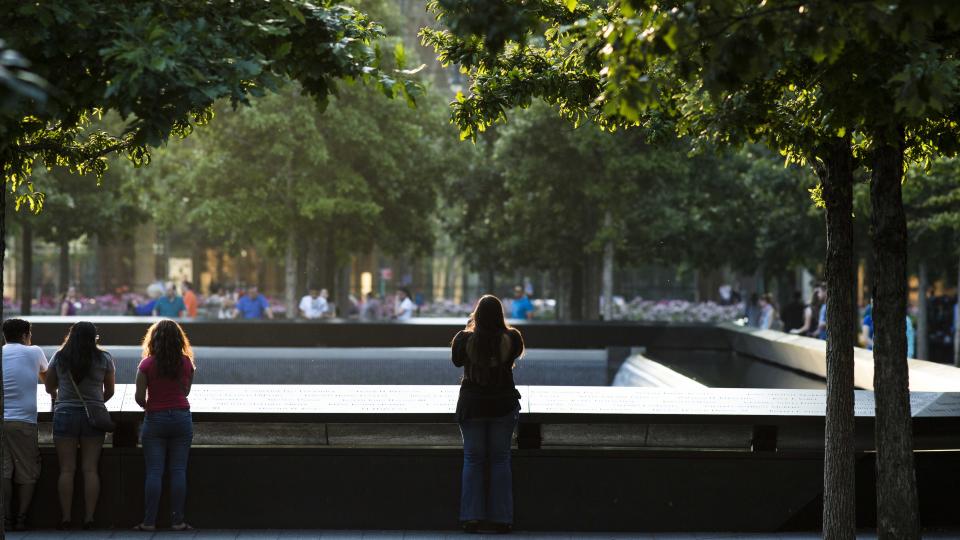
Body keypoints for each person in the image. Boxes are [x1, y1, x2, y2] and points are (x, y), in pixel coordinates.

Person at [450, 295, 524, 534]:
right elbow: (511, 356)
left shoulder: (464, 340)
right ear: (500, 315)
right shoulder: (512, 339)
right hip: (503, 406)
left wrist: (470, 330)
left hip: (472, 407)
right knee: (500, 459)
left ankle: (471, 517)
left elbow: (456, 361)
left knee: (473, 459)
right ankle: (503, 519)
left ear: (477, 315)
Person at [44, 321, 116, 530]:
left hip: (65, 413)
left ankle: (66, 518)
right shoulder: (104, 358)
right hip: (92, 416)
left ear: (71, 335)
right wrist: (95, 403)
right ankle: (89, 519)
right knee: (90, 469)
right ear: (95, 336)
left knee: (66, 469)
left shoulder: (60, 356)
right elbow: (110, 391)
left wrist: (60, 395)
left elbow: (49, 385)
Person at [133, 320, 196, 532]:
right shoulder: (186, 363)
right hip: (181, 418)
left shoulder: (147, 364)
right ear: (179, 339)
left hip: (156, 419)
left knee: (154, 471)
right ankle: (178, 521)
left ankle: (149, 522)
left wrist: (152, 404)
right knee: (179, 470)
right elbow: (185, 392)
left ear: (154, 339)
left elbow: (140, 398)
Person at [2, 319, 48, 531]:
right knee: (27, 472)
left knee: (4, 472)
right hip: (24, 421)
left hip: (3, 419)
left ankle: (6, 519)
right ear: (25, 335)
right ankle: (21, 519)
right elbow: (49, 382)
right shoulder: (34, 352)